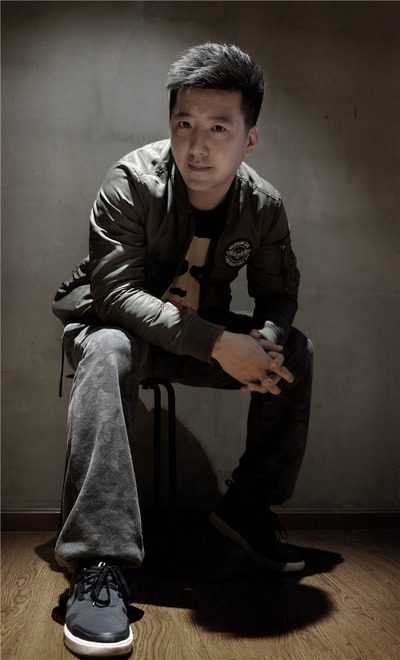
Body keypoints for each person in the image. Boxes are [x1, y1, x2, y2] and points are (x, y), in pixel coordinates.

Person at [52, 42, 313, 658]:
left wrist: (266, 342)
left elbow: (279, 295)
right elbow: (116, 295)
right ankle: (98, 565)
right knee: (109, 348)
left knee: (296, 354)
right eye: (184, 124)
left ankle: (247, 507)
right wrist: (220, 344)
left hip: (195, 338)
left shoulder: (263, 206)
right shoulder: (131, 182)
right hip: (116, 330)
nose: (197, 146)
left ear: (249, 139)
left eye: (219, 128)